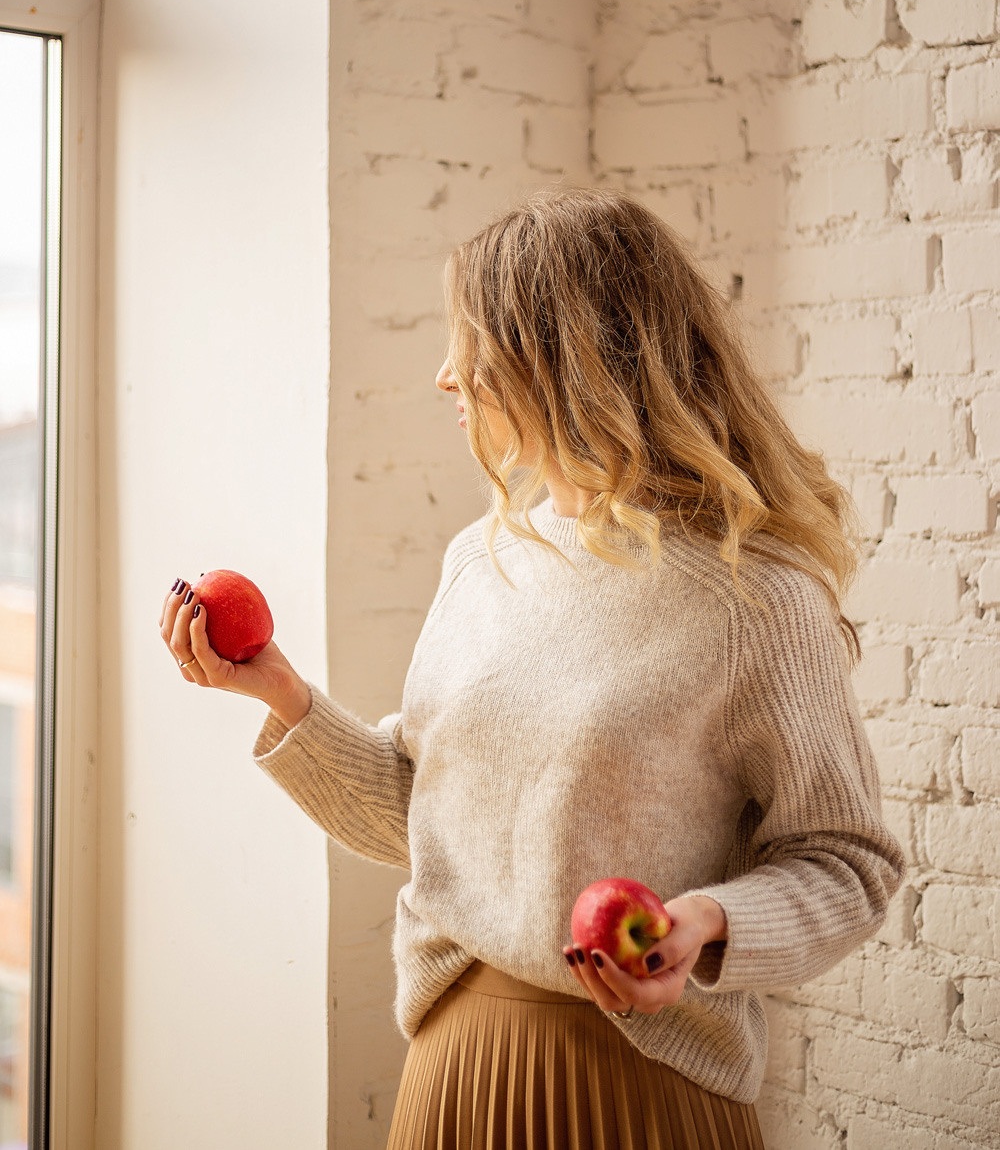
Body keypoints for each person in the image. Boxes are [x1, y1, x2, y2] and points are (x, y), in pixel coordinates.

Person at [159, 187, 906, 1150]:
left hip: (635, 1083)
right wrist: (281, 694)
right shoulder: (484, 560)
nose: (443, 377)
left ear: (561, 361)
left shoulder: (755, 602)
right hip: (454, 1067)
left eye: (470, 347)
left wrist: (703, 925)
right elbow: (437, 821)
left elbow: (848, 864)